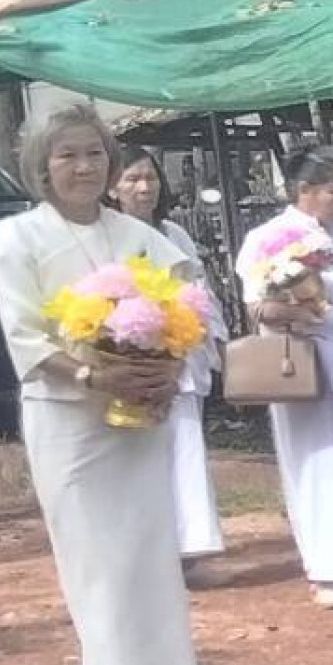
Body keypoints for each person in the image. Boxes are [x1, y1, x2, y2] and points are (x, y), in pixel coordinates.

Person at [0, 108, 213, 665]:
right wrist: (93, 372)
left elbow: (188, 312)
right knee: (98, 570)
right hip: (68, 421)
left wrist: (165, 370)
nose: (83, 168)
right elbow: (25, 334)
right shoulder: (17, 235)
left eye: (93, 154)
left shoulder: (138, 235)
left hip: (136, 419)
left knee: (146, 564)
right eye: (66, 156)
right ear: (40, 165)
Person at [252, 146, 333, 609]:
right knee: (321, 464)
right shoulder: (270, 237)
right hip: (311, 357)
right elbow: (258, 303)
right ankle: (330, 567)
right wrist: (294, 306)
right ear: (304, 190)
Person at [112, 154, 226, 569]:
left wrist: (202, 334)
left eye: (150, 178)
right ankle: (149, 548)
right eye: (133, 178)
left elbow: (199, 288)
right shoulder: (109, 236)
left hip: (181, 353)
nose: (144, 188)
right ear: (113, 187)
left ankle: (190, 546)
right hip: (132, 357)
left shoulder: (174, 233)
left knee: (185, 448)